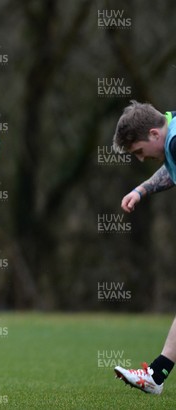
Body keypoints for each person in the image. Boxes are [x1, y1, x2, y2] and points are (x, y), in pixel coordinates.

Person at [112, 100, 176, 395]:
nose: (140, 159)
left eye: (139, 151)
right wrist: (142, 189)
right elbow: (170, 168)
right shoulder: (171, 125)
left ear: (153, 133)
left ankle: (156, 375)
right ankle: (156, 374)